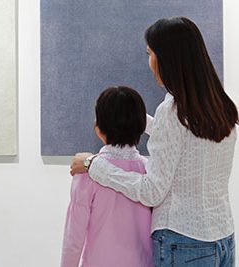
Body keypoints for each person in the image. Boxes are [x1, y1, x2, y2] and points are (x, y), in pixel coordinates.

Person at [70, 17, 238, 266]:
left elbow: (151, 192)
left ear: (168, 58)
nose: (149, 62)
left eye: (150, 53)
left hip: (182, 242)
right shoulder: (221, 106)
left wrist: (94, 165)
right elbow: (185, 137)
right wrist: (135, 118)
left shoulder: (172, 111)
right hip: (223, 239)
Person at [61, 86, 154, 267]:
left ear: (98, 127)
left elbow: (74, 238)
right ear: (141, 127)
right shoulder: (149, 171)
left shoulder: (87, 172)